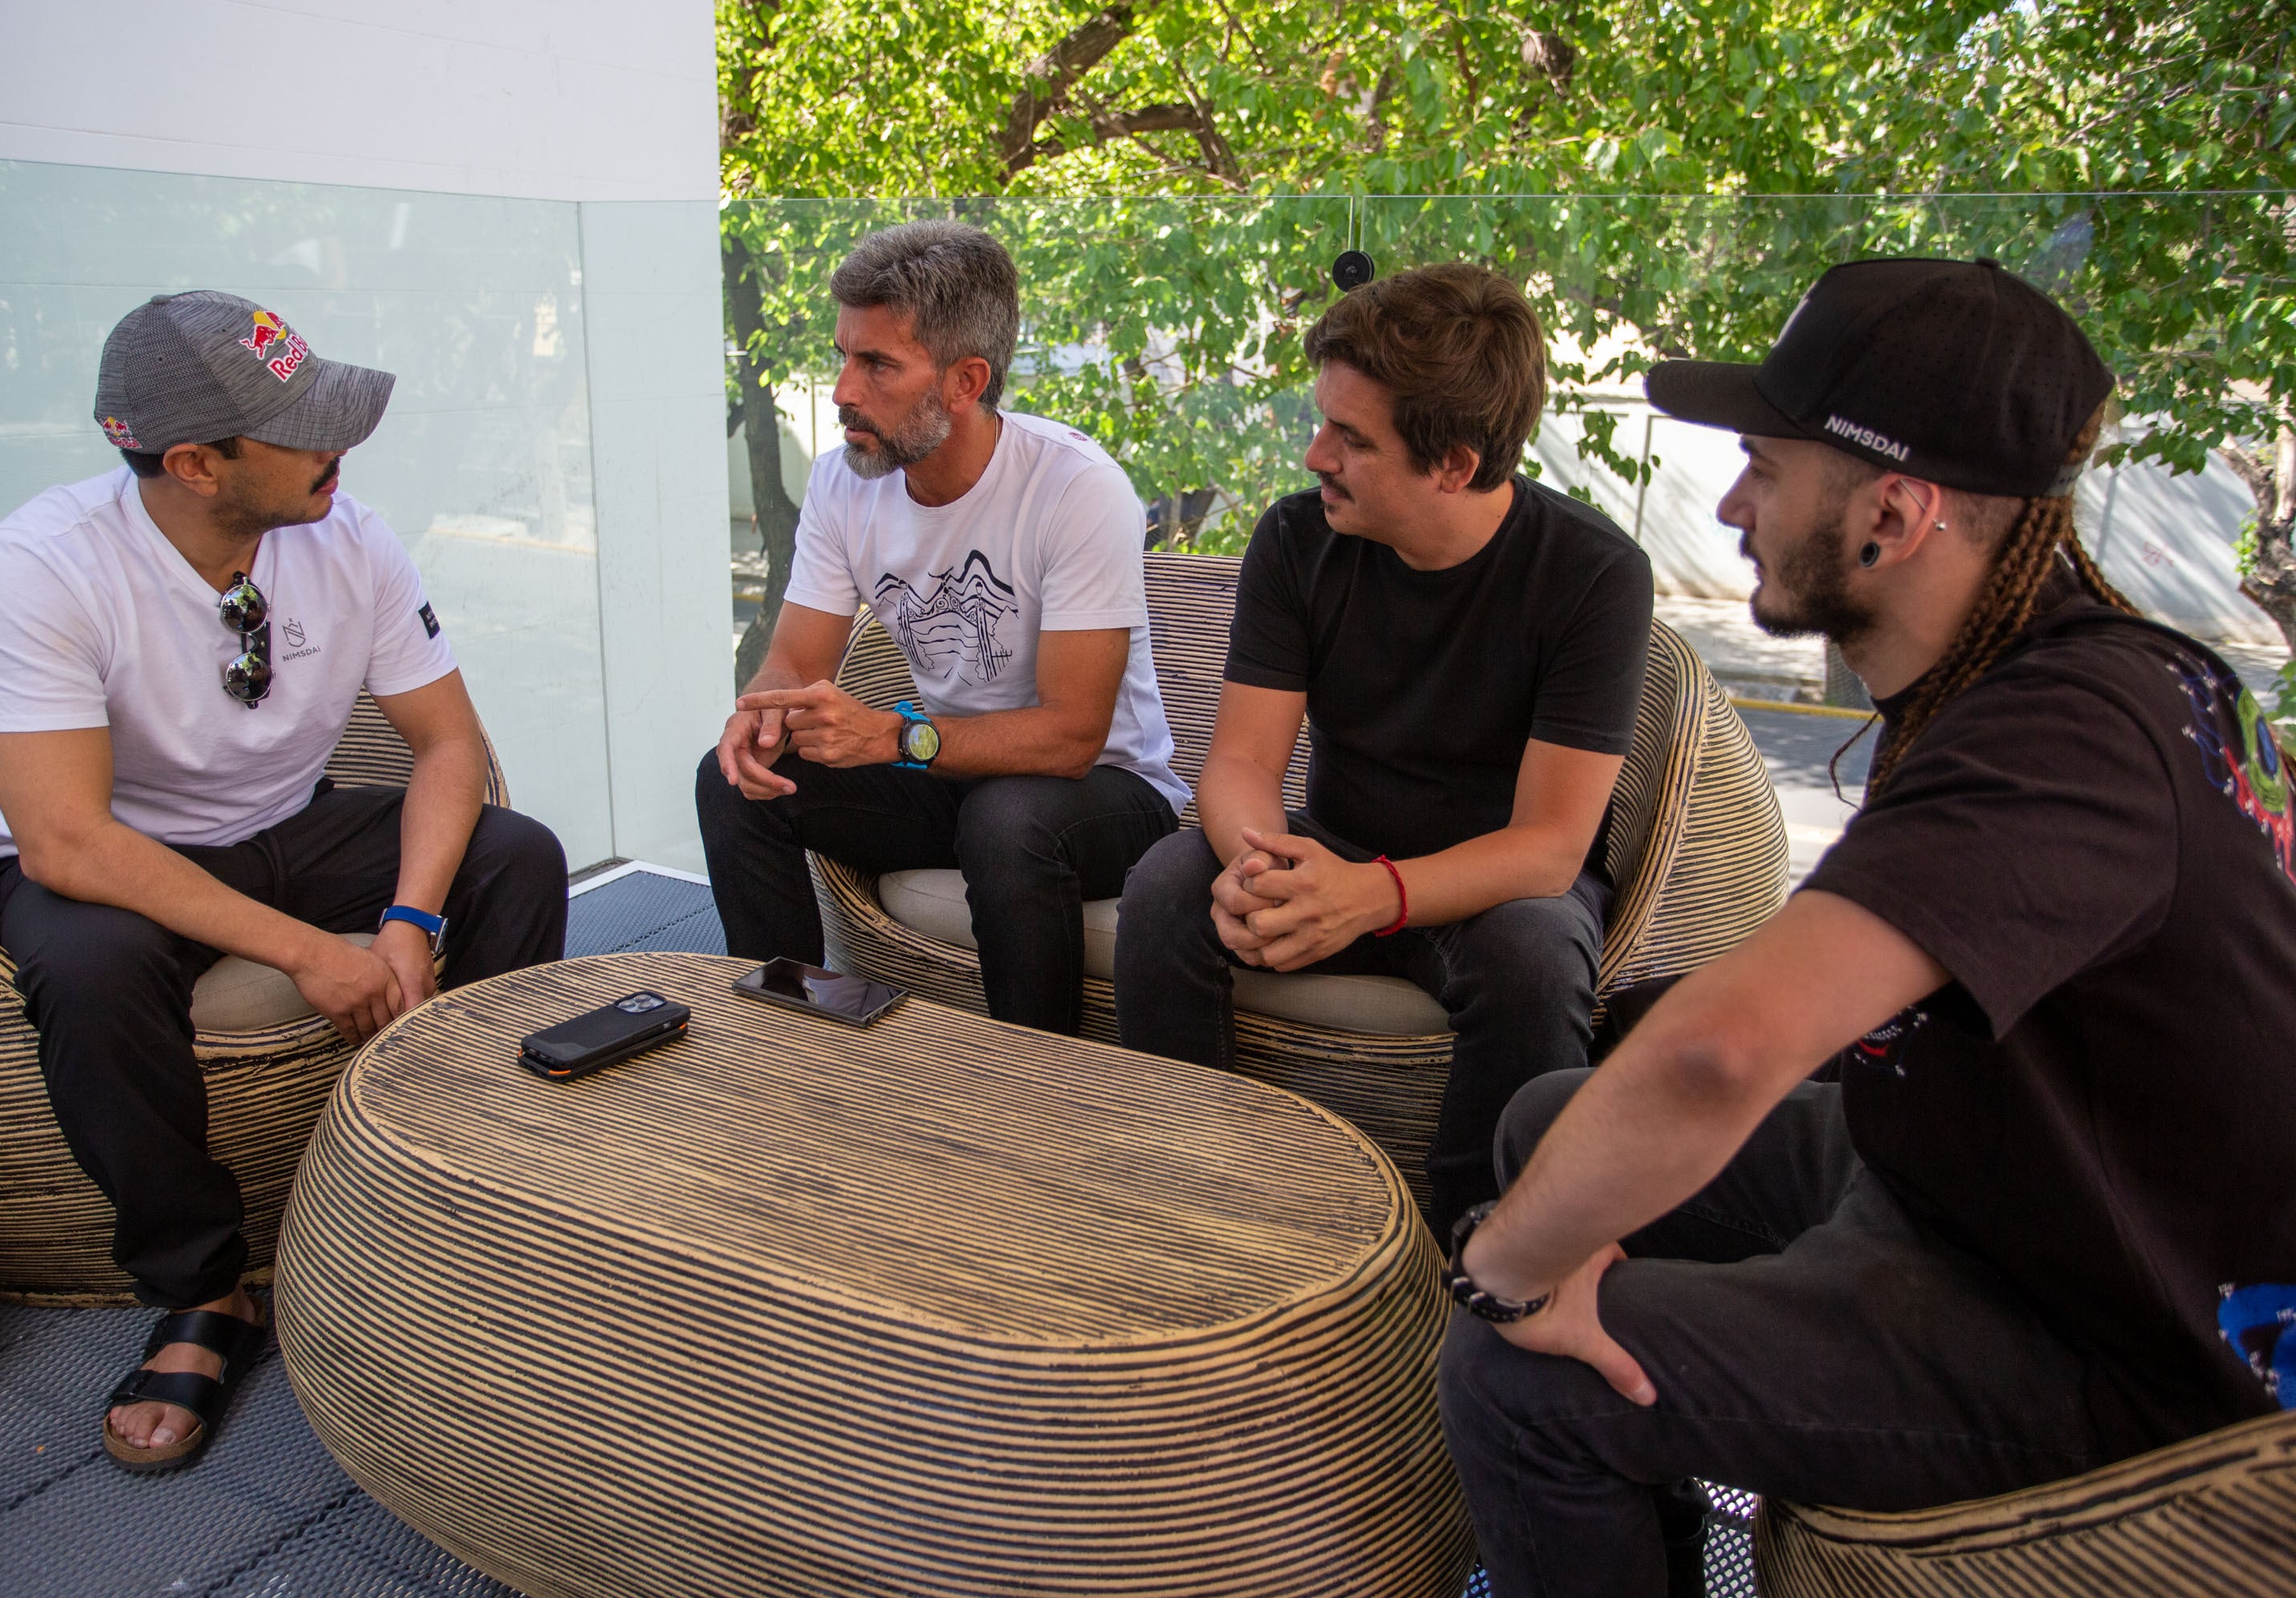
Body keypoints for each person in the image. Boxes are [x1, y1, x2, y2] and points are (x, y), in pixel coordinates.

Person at [1435, 256, 2296, 1598]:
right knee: (1552, 1121)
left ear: (1895, 512)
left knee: (1505, 1364)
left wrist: (1499, 1277)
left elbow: (1722, 1054)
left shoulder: (2066, 738)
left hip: (2114, 1338)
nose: (1729, 506)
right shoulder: (2043, 675)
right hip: (1990, 1172)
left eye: (1765, 470)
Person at [0, 291, 567, 1474]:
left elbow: (449, 747)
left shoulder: (351, 534)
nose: (341, 445)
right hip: (120, 849)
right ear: (194, 462)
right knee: (88, 969)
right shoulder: (39, 567)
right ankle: (202, 1293)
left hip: (290, 824)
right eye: (303, 426)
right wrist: (308, 951)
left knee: (520, 855)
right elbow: (65, 846)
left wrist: (407, 919)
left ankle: (469, 1174)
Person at [1112, 263, 1654, 1238]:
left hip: (1493, 882)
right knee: (1162, 888)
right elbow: (1239, 763)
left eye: (1351, 438)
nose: (1315, 453)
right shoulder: (1297, 539)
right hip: (1333, 842)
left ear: (1452, 462)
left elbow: (1548, 846)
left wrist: (1371, 895)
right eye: (1325, 420)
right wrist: (1260, 861)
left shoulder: (1593, 574)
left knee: (1535, 961)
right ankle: (1187, 1200)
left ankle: (1474, 1255)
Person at [697, 221, 1186, 1034]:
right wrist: (762, 717)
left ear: (966, 381)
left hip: (1109, 794)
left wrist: (895, 738)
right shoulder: (842, 482)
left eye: (877, 364)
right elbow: (794, 655)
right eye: (843, 355)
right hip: (956, 777)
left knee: (1007, 822)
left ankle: (1034, 1084)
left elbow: (1071, 736)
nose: (842, 390)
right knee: (733, 783)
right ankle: (789, 1036)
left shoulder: (1076, 489)